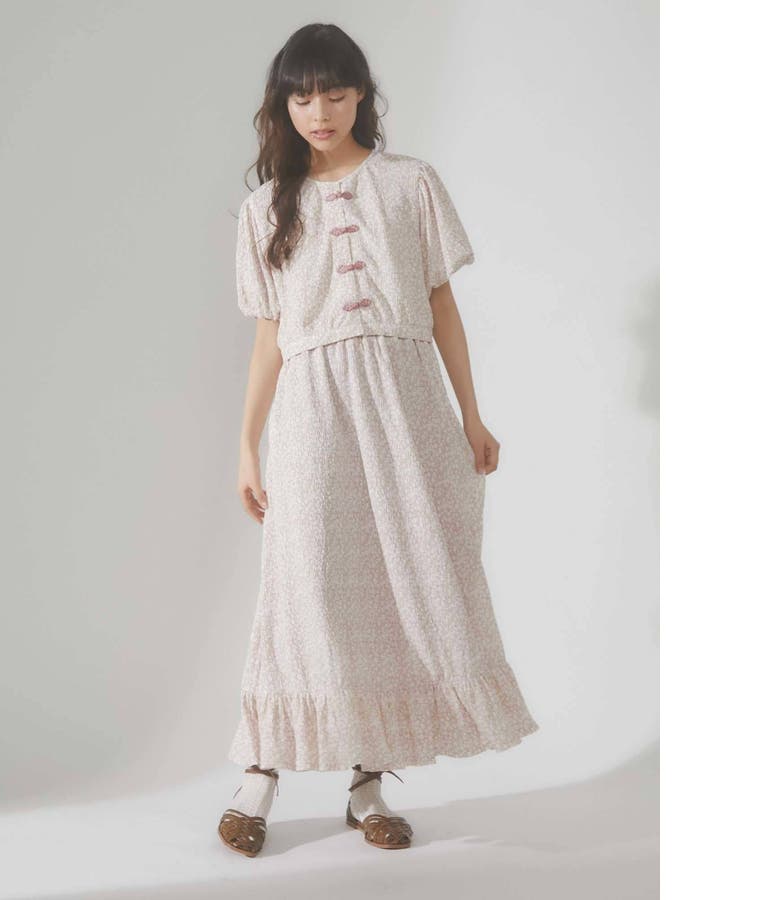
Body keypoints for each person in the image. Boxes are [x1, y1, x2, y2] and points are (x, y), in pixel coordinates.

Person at [218, 23, 539, 858]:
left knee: (403, 581)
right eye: (301, 97)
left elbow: (441, 307)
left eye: (334, 92)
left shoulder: (410, 183)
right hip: (313, 409)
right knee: (303, 583)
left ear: (362, 94)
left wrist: (471, 414)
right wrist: (246, 446)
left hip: (407, 403)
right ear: (282, 106)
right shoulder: (263, 209)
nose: (318, 111)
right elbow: (268, 338)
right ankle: (259, 775)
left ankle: (367, 785)